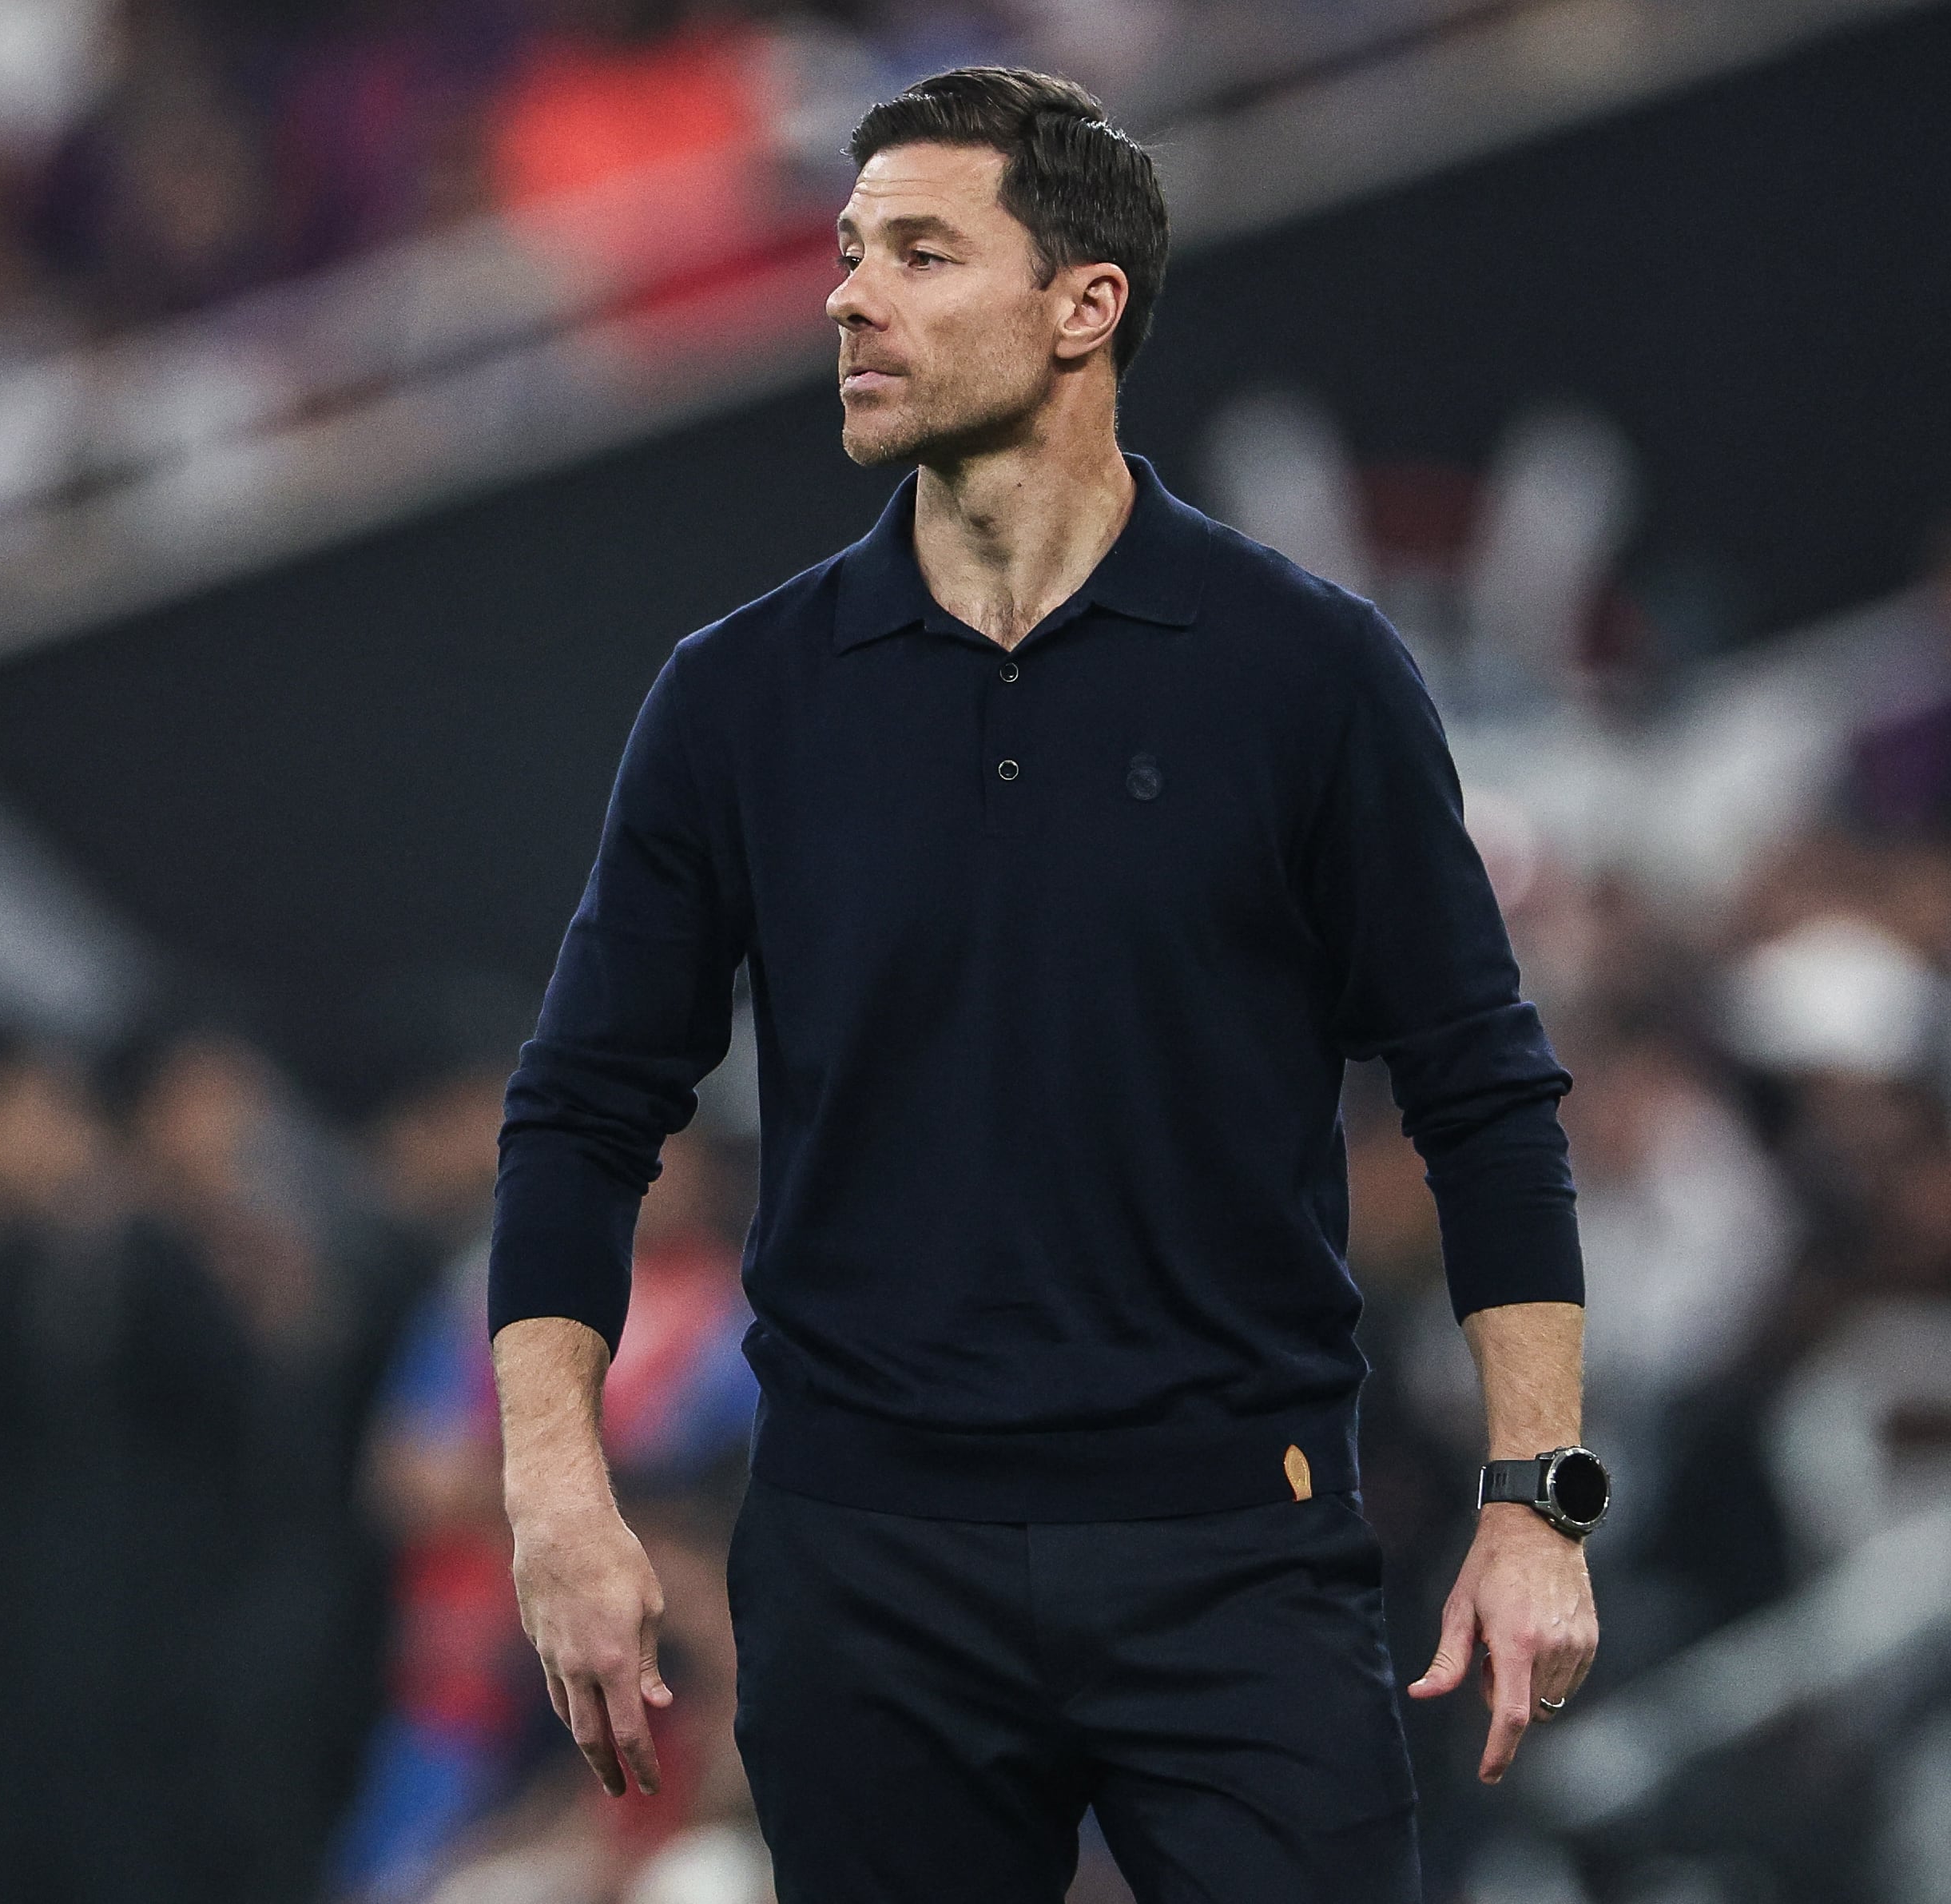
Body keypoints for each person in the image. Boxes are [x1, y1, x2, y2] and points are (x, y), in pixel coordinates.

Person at [486, 66, 1602, 1901]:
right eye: (848, 256)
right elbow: (583, 1110)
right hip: (865, 1566)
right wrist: (556, 1494)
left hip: (1244, 1551)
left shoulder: (1307, 671)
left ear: (1086, 305)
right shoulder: (739, 696)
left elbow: (1486, 1096)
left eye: (921, 253)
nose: (849, 298)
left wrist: (1537, 1499)